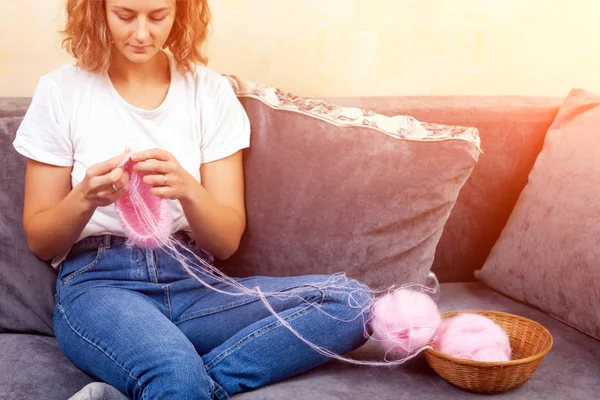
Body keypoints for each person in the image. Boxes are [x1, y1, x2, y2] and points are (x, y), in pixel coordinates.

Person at [12, 1, 372, 399]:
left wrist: (188, 189)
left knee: (352, 302)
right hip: (100, 284)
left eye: (158, 16)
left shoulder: (209, 92)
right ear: (98, 11)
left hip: (194, 282)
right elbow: (41, 241)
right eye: (125, 15)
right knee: (174, 372)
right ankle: (177, 379)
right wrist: (84, 198)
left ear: (181, 13)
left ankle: (187, 385)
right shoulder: (62, 91)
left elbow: (224, 241)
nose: (142, 33)